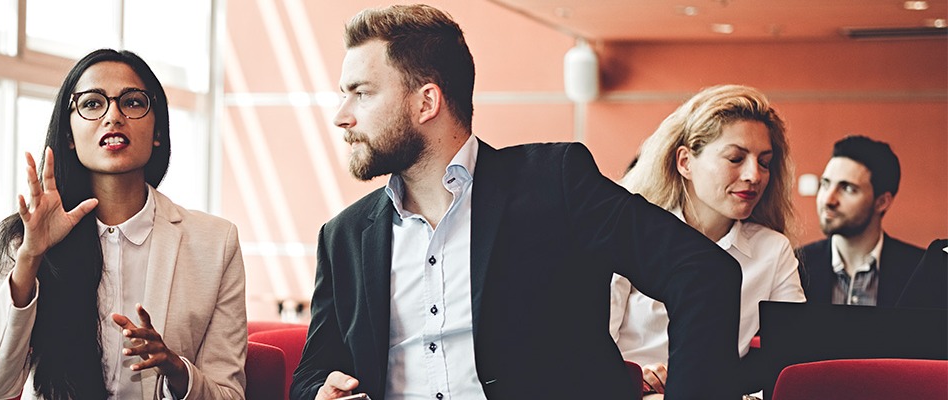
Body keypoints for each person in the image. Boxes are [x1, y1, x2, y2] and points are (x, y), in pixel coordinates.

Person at [294, 5, 742, 400]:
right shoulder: (344, 238)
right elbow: (311, 374)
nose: (342, 115)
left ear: (426, 101)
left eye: (362, 93)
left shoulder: (555, 183)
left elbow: (701, 273)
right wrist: (320, 393)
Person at [0, 49, 246, 400]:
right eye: (93, 104)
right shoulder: (28, 237)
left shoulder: (215, 243)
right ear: (69, 134)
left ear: (157, 130)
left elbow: (229, 394)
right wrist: (30, 258)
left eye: (132, 102)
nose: (113, 116)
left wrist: (176, 370)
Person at [612, 85, 805, 397]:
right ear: (685, 162)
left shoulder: (773, 250)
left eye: (765, 162)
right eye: (735, 158)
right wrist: (632, 379)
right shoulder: (628, 234)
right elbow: (586, 350)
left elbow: (793, 362)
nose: (754, 175)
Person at [797, 136, 924, 307]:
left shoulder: (921, 271)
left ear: (882, 202)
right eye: (825, 184)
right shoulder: (795, 266)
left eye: (847, 188)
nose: (828, 200)